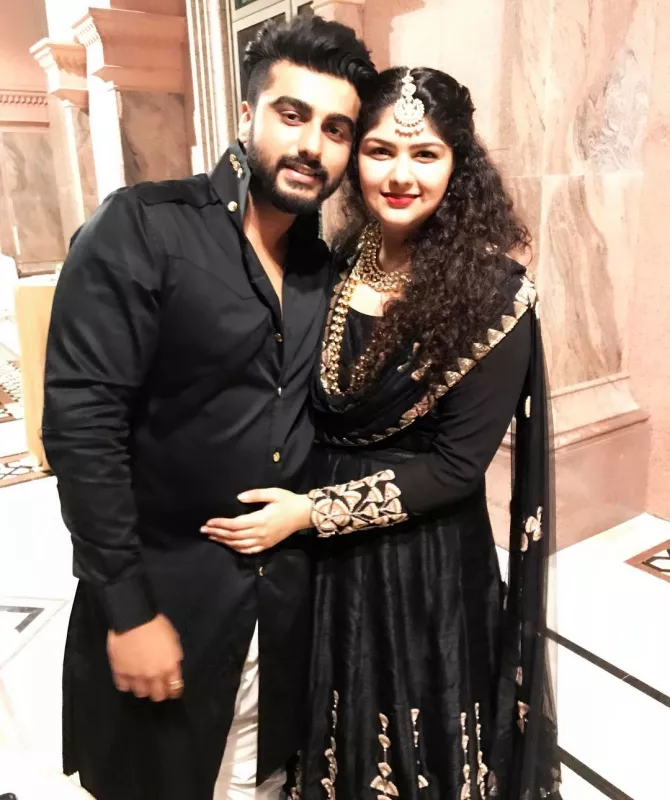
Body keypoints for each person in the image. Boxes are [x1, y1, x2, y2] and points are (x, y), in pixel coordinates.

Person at [202, 68, 562, 799]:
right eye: (379, 151)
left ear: (459, 165)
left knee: (413, 727)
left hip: (420, 557)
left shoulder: (496, 298)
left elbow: (456, 468)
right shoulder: (326, 265)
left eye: (425, 154)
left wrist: (311, 512)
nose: (400, 176)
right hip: (314, 556)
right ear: (354, 158)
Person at [42, 15, 376, 800]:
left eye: (335, 129)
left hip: (285, 607)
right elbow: (83, 430)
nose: (312, 145)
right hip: (170, 600)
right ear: (247, 113)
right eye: (292, 114)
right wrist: (128, 611)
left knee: (262, 779)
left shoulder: (324, 272)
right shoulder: (144, 228)